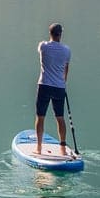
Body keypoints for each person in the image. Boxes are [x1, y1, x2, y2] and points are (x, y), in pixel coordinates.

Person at [33, 22, 73, 158]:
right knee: (60, 117)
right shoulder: (67, 50)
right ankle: (62, 147)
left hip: (44, 85)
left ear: (50, 34)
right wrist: (63, 82)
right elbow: (66, 69)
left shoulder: (43, 47)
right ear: (60, 34)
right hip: (59, 87)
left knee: (40, 117)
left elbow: (42, 49)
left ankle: (38, 148)